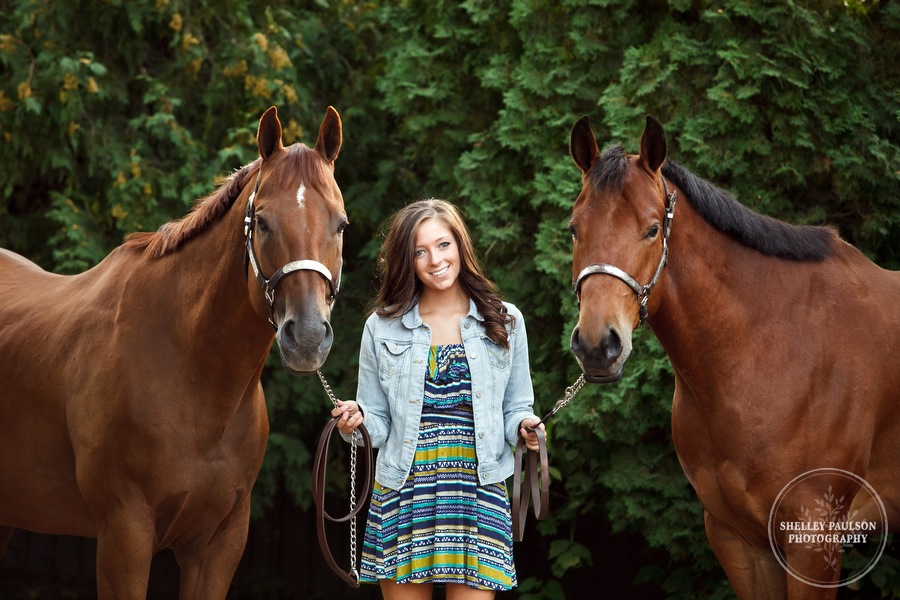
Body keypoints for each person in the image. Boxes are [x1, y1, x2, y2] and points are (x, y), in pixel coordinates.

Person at [332, 198, 544, 599]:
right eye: (420, 251)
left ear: (460, 245)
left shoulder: (506, 321)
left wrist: (525, 428)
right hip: (404, 489)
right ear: (407, 260)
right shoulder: (381, 328)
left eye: (443, 244)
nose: (435, 260)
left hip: (478, 491)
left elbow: (517, 407)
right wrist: (355, 421)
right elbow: (375, 422)